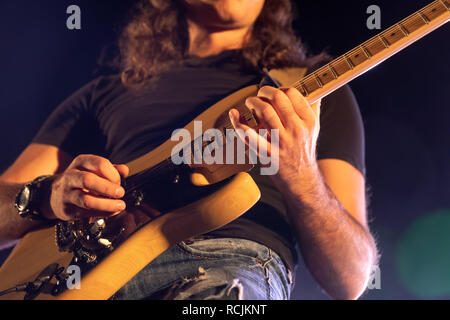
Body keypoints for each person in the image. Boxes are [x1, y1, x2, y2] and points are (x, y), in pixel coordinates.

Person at [0, 0, 378, 300]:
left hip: (228, 264)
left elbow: (352, 278)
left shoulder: (309, 94)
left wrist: (301, 175)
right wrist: (49, 194)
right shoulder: (103, 93)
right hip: (86, 275)